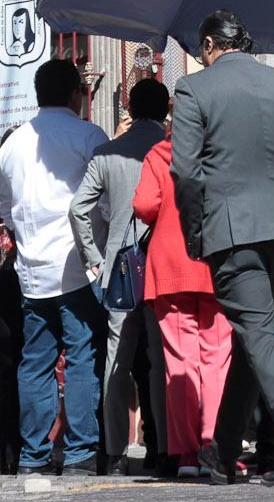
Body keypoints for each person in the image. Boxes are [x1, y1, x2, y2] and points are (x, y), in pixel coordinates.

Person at [170, 10, 274, 488]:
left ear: (207, 46)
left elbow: (185, 173)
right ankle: (221, 453)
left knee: (259, 333)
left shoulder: (195, 89)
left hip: (230, 228)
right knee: (252, 334)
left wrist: (196, 232)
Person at [0, 57, 109, 485]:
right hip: (80, 268)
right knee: (82, 356)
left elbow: (6, 210)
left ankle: (34, 454)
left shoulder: (11, 147)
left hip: (33, 270)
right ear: (77, 93)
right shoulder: (89, 135)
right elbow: (104, 202)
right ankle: (80, 451)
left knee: (35, 363)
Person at [72, 78, 171, 476]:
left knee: (118, 358)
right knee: (162, 358)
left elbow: (79, 209)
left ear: (130, 107)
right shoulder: (170, 151)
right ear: (165, 110)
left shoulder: (107, 152)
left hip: (119, 268)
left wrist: (95, 261)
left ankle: (114, 450)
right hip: (163, 265)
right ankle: (163, 445)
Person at [129, 113, 231, 481]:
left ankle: (188, 453)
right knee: (217, 357)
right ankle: (216, 444)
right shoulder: (221, 149)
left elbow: (143, 205)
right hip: (216, 260)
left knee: (179, 360)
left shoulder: (161, 153)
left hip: (171, 262)